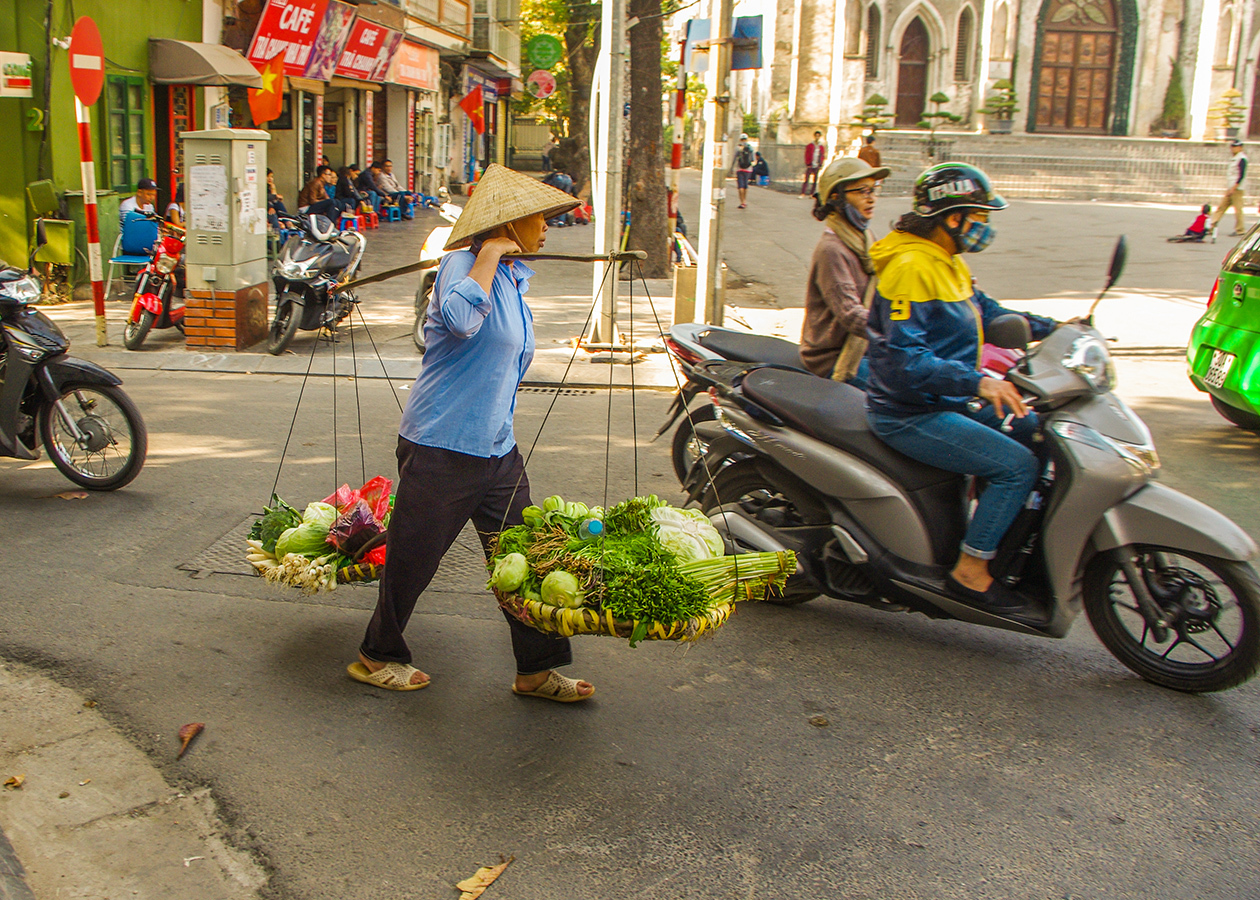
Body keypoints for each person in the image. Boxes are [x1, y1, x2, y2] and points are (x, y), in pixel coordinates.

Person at [349, 164, 594, 702]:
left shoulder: (512, 275)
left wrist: (500, 260)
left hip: (495, 448)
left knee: (524, 555)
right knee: (414, 557)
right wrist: (486, 253)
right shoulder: (464, 265)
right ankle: (377, 654)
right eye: (538, 218)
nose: (548, 227)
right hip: (441, 444)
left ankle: (536, 669)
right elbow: (461, 321)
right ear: (507, 224)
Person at [865, 163, 1057, 617]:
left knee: (1036, 429)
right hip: (910, 413)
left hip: (950, 400)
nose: (986, 227)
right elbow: (905, 362)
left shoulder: (947, 261)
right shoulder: (911, 268)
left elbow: (990, 315)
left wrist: (1059, 330)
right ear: (953, 218)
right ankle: (970, 570)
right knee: (1015, 466)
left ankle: (997, 541)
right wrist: (981, 381)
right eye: (981, 218)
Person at [799, 156, 891, 388]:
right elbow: (850, 313)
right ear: (837, 198)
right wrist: (896, 328)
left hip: (865, 346)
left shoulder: (866, 239)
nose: (871, 199)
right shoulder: (832, 250)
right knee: (902, 391)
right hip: (834, 357)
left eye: (873, 190)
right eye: (861, 191)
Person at [1209, 139, 1248, 236]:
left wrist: (1234, 188)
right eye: (1232, 147)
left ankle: (1240, 229)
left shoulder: (1242, 159)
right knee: (1221, 207)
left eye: (1236, 147)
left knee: (1238, 209)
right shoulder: (1234, 158)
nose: (1233, 149)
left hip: (1237, 188)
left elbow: (1241, 175)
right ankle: (1211, 226)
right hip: (1230, 187)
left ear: (1240, 147)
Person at [802, 131, 826, 196]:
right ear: (814, 136)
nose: (817, 137)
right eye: (816, 136)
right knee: (806, 179)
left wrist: (820, 164)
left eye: (818, 136)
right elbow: (807, 154)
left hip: (817, 165)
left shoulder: (821, 147)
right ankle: (803, 193)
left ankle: (811, 193)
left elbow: (822, 155)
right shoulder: (810, 146)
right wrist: (808, 163)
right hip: (810, 165)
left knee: (815, 181)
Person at [735, 134, 756, 209]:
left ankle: (741, 202)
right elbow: (753, 159)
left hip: (739, 169)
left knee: (740, 185)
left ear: (740, 139)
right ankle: (745, 201)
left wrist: (731, 169)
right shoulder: (750, 148)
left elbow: (734, 158)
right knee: (745, 185)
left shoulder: (738, 148)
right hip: (748, 169)